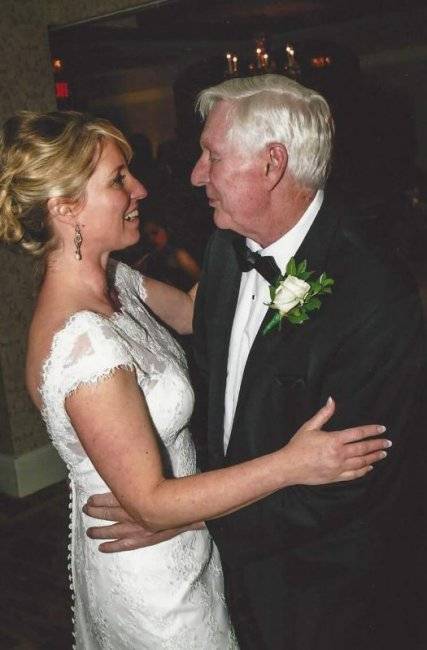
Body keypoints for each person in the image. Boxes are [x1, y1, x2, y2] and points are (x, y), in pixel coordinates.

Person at [0, 110, 389, 649]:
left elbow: (191, 313)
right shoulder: (82, 346)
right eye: (118, 179)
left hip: (188, 543)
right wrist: (293, 463)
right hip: (153, 576)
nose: (140, 188)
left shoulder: (118, 280)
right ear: (66, 207)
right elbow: (152, 505)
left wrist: (261, 243)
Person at [84, 74, 426, 650]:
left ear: (272, 165)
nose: (195, 174)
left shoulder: (374, 295)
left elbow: (346, 486)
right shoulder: (225, 246)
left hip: (323, 591)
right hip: (225, 574)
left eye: (211, 156)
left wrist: (184, 513)